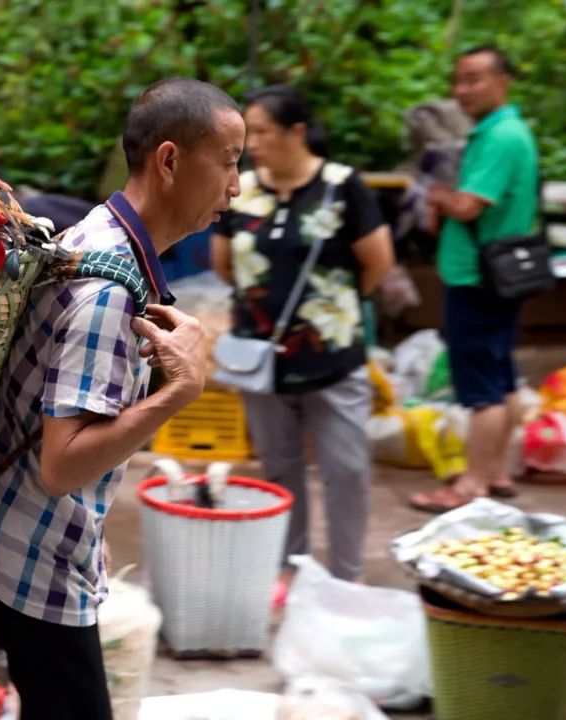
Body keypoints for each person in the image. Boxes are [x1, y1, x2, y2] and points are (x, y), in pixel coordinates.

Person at [0, 77, 243, 719]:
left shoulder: (96, 231)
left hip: (1, 538)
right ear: (169, 161)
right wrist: (180, 392)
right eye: (227, 162)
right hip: (32, 566)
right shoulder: (111, 297)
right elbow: (62, 466)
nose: (236, 187)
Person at [210, 85, 393, 598]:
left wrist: (330, 311)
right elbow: (224, 265)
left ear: (297, 131)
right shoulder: (241, 187)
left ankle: (347, 576)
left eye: (263, 131)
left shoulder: (341, 186)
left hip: (332, 353)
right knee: (278, 467)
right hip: (258, 354)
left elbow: (377, 264)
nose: (255, 143)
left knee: (348, 469)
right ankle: (289, 564)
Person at [409, 46, 537, 513]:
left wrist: (437, 196)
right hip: (497, 276)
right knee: (501, 380)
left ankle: (471, 486)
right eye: (458, 80)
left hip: (478, 278)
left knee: (482, 387)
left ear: (504, 80)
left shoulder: (500, 136)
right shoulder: (505, 132)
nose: (462, 90)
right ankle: (497, 471)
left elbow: (468, 205)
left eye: (475, 79)